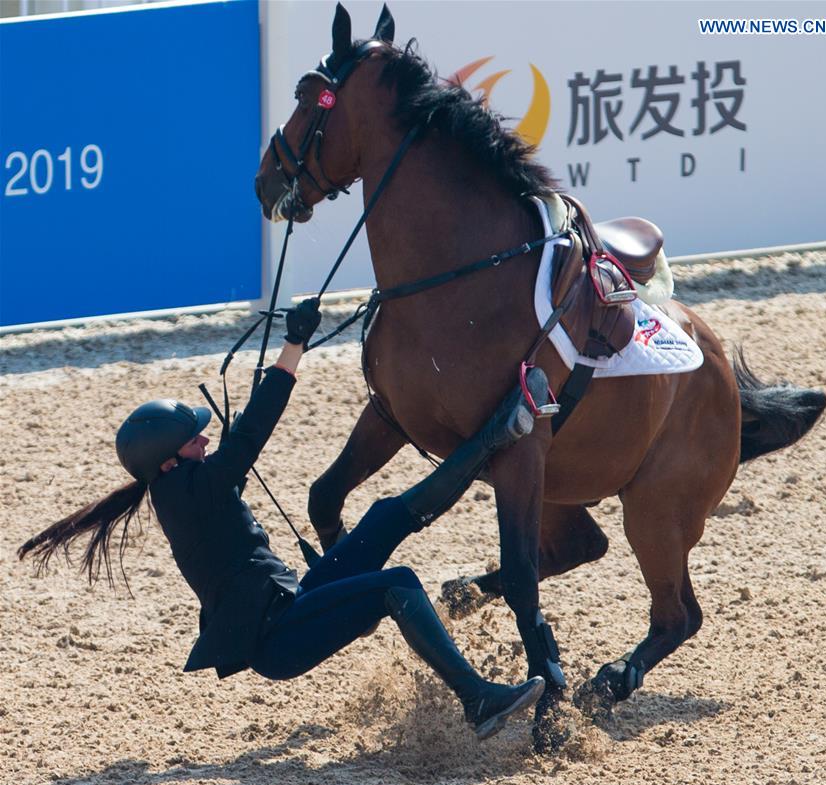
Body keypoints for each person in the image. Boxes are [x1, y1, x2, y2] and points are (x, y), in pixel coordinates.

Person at [19, 299, 552, 741]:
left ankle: (498, 433)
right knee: (400, 585)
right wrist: (292, 347)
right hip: (279, 639)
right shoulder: (188, 488)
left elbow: (232, 456)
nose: (205, 439)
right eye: (194, 438)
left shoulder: (184, 485)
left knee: (386, 515)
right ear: (169, 460)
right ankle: (478, 701)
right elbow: (250, 437)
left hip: (289, 603)